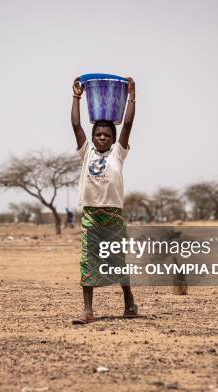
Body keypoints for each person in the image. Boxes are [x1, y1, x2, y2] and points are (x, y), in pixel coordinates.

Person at [70, 76, 137, 324]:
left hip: (112, 215)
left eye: (106, 135)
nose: (101, 138)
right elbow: (76, 125)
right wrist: (76, 98)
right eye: (97, 134)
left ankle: (129, 301)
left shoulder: (118, 153)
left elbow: (128, 123)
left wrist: (132, 96)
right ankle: (87, 311)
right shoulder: (86, 151)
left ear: (112, 138)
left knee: (118, 261)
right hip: (91, 215)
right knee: (88, 260)